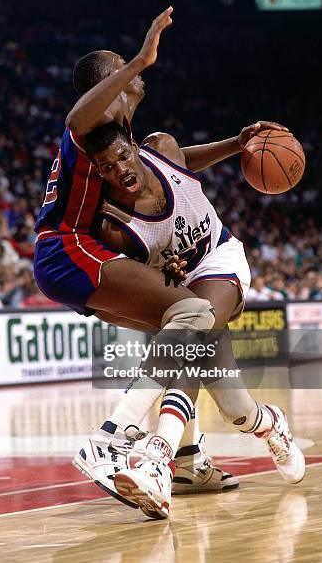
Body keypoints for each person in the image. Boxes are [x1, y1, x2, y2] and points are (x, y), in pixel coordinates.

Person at [79, 122, 305, 519]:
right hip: (183, 291)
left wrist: (236, 145)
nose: (120, 170)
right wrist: (164, 266)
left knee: (190, 340)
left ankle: (157, 457)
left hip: (220, 260)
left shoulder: (163, 146)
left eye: (122, 156)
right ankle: (270, 423)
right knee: (236, 409)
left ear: (135, 146)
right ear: (99, 173)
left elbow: (184, 159)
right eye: (107, 167)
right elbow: (143, 276)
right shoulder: (115, 226)